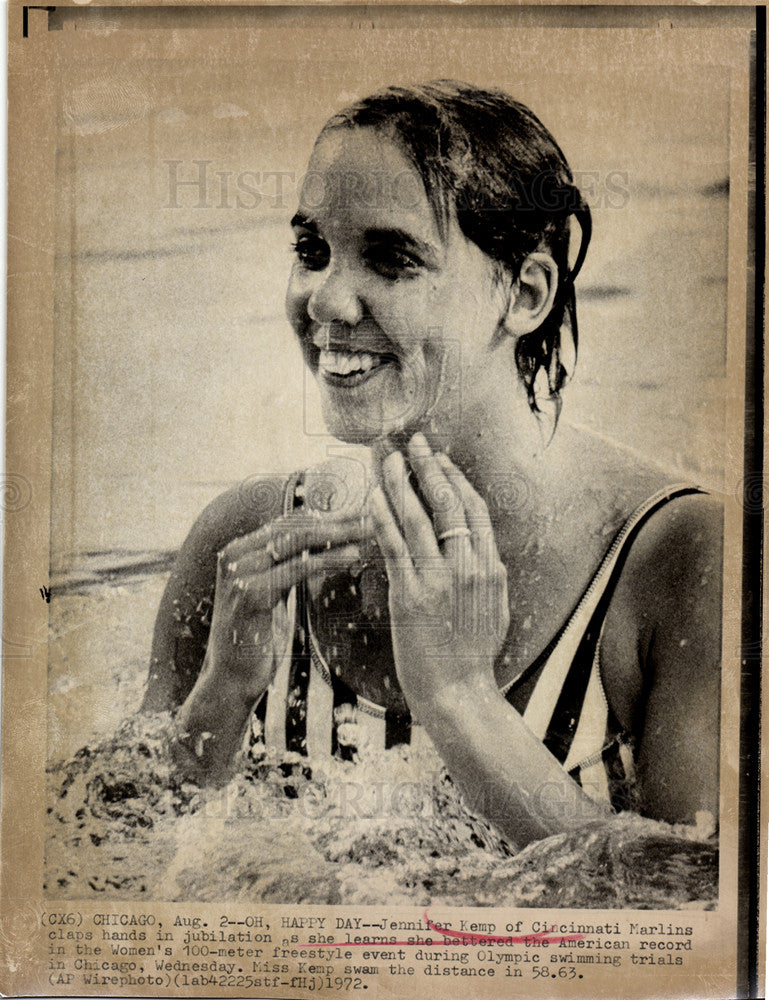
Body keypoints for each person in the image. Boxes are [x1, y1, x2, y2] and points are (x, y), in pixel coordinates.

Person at [142, 81, 722, 849]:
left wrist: (460, 701)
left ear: (524, 293)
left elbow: (702, 910)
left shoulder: (684, 559)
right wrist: (219, 700)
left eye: (389, 258)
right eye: (312, 251)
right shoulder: (243, 539)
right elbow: (110, 860)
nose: (325, 300)